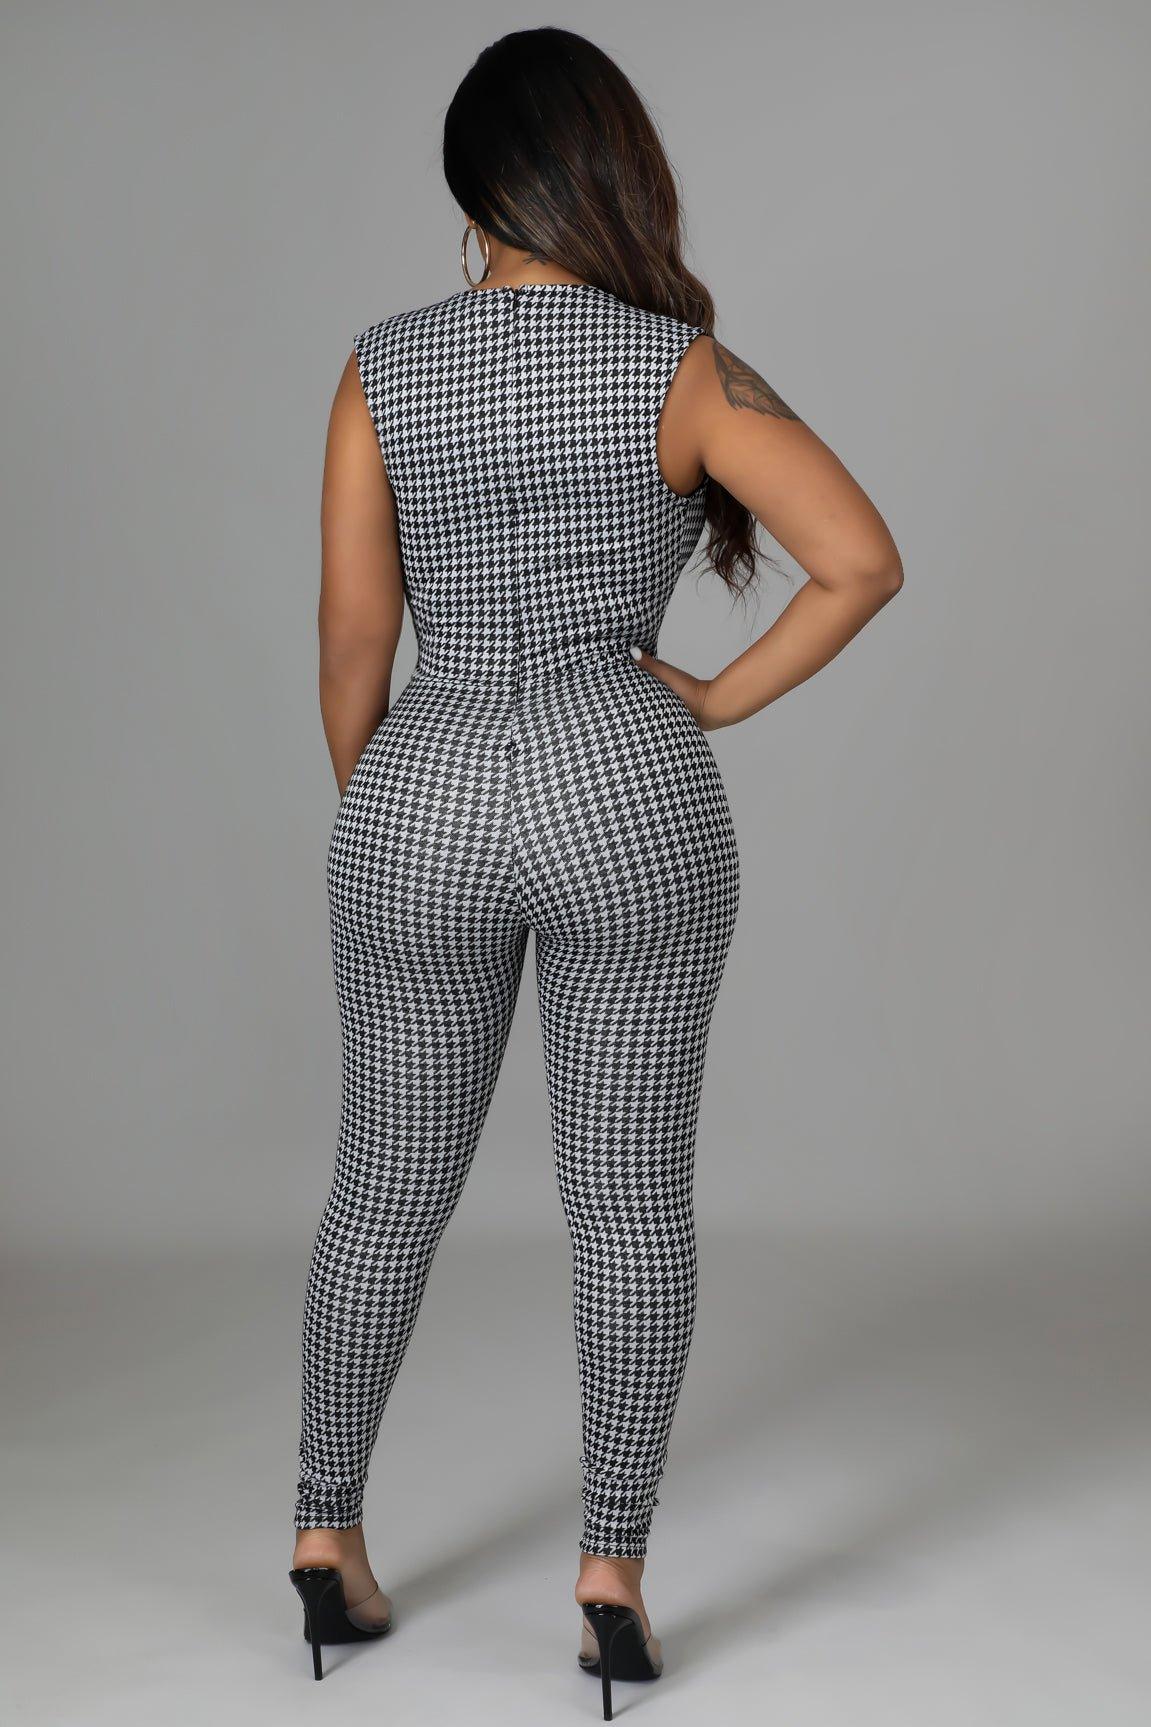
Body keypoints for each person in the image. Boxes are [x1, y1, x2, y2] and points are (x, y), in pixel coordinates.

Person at [287, 24, 903, 1710]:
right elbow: (860, 561)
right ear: (609, 167)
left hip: (424, 789)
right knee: (628, 1197)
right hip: (627, 794)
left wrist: (390, 814)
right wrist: (710, 697)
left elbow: (353, 641)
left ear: (471, 185)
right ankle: (611, 1577)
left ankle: (325, 1536)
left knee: (382, 1184)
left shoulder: (383, 365)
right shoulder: (681, 370)